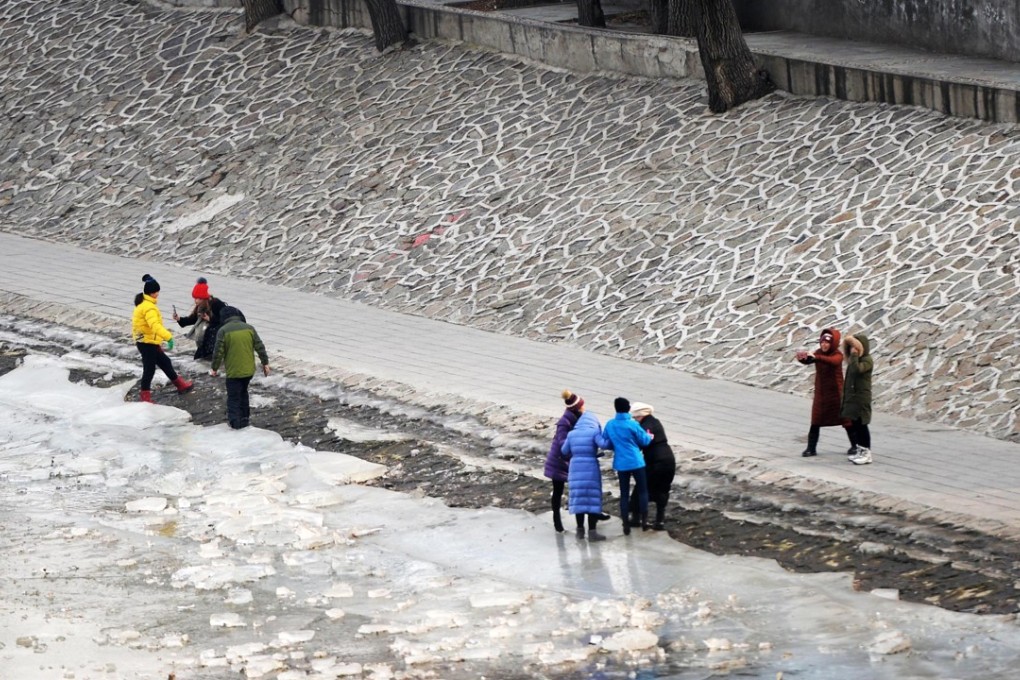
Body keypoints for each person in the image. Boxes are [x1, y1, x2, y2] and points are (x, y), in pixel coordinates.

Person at [131, 274, 194, 403]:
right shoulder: (149, 308)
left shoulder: (144, 303)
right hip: (147, 343)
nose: (158, 294)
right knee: (149, 370)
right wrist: (168, 337)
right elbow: (155, 326)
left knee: (165, 362)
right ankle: (145, 398)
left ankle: (181, 385)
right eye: (156, 292)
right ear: (152, 293)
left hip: (148, 341)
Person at [795, 328, 856, 457]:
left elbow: (832, 361)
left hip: (837, 395)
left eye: (827, 342)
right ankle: (811, 448)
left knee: (847, 421)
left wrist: (816, 357)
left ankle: (855, 446)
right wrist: (803, 358)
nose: (824, 344)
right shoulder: (818, 353)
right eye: (822, 342)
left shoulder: (837, 355)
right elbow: (811, 360)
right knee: (815, 421)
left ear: (832, 344)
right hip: (821, 396)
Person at [596, 397, 652, 535]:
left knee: (624, 494)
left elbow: (606, 441)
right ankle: (644, 522)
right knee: (643, 491)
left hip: (621, 463)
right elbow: (644, 441)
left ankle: (626, 525)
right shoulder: (632, 424)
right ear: (628, 409)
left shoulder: (610, 424)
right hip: (636, 461)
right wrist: (649, 436)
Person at [210, 306, 270, 429]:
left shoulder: (223, 331)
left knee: (233, 397)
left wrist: (214, 368)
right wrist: (265, 363)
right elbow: (260, 346)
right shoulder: (249, 328)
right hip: (248, 371)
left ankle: (235, 423)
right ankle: (245, 418)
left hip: (234, 372)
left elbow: (218, 352)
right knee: (243, 393)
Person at [560, 405, 607, 541]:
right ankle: (592, 532)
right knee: (592, 499)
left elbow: (564, 451)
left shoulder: (571, 434)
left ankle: (580, 531)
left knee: (579, 499)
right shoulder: (594, 433)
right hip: (591, 467)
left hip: (575, 469)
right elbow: (604, 444)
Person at [629, 402, 675, 531]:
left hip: (655, 460)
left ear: (640, 415)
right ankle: (659, 521)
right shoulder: (656, 421)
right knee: (663, 489)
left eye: (635, 417)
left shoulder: (646, 426)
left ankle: (636, 519)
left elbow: (645, 441)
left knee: (641, 488)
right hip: (669, 458)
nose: (634, 419)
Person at [543, 390, 582, 533]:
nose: (584, 408)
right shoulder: (564, 423)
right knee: (558, 491)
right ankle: (557, 521)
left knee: (575, 490)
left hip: (568, 461)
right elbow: (562, 443)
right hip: (559, 461)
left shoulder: (576, 418)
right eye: (582, 405)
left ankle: (583, 519)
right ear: (576, 408)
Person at [173, 277, 238, 361]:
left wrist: (210, 319)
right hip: (205, 338)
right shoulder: (200, 306)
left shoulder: (217, 304)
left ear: (204, 298)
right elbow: (192, 319)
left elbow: (225, 320)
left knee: (209, 357)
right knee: (199, 358)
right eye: (195, 298)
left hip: (215, 337)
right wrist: (179, 319)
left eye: (198, 298)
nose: (196, 301)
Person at [841, 333, 874, 465]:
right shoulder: (852, 361)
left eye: (854, 347)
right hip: (853, 398)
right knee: (855, 424)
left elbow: (856, 370)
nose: (851, 350)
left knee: (862, 425)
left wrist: (854, 356)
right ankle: (860, 449)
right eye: (850, 348)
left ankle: (867, 452)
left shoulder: (867, 360)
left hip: (861, 398)